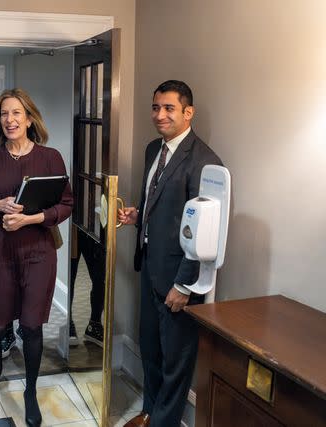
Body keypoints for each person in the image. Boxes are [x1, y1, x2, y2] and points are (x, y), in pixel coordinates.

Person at [118, 80, 222, 427]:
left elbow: (204, 233)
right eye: (155, 107)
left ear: (187, 112)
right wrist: (138, 216)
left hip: (178, 278)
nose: (159, 115)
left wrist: (185, 285)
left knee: (176, 360)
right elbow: (161, 204)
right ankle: (150, 412)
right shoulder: (153, 149)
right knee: (150, 347)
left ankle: (164, 423)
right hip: (149, 265)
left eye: (168, 108)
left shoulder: (205, 162)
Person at [0, 88, 73, 427]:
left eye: (16, 113)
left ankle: (30, 390)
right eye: (4, 114)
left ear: (30, 119)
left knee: (31, 325)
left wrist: (31, 218)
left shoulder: (51, 157)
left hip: (38, 251)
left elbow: (66, 204)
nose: (10, 120)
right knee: (0, 320)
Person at [68, 225, 106, 346]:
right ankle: (67, 323)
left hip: (94, 223)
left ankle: (95, 324)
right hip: (72, 223)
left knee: (101, 277)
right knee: (70, 276)